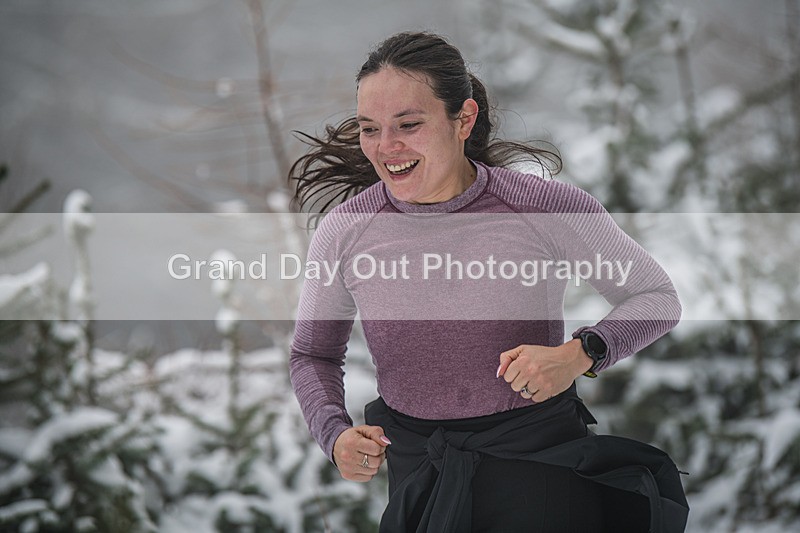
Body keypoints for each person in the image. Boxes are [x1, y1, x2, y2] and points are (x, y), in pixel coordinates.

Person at [288, 31, 688, 532]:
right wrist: (335, 434)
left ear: (464, 119)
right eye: (370, 128)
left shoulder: (541, 207)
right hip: (422, 476)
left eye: (408, 124)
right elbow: (313, 354)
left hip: (538, 473)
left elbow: (655, 297)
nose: (387, 147)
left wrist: (579, 354)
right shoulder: (348, 231)